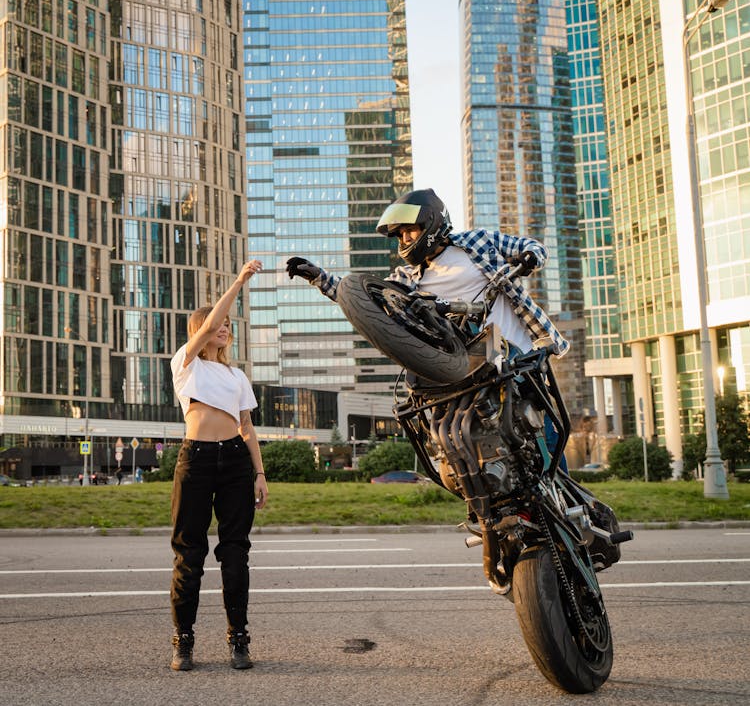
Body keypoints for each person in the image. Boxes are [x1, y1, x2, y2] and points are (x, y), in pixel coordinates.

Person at [287, 188, 623, 567]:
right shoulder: (406, 277)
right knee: (453, 434)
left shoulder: (476, 242)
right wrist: (321, 279)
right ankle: (487, 509)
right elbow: (369, 303)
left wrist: (530, 256)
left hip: (517, 359)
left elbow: (528, 245)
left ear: (431, 222)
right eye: (398, 236)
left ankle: (568, 507)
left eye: (409, 231)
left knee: (543, 442)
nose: (404, 240)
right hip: (468, 371)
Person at [169, 259, 268, 672]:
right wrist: (240, 281)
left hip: (234, 463)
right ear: (200, 329)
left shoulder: (237, 377)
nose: (223, 328)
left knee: (234, 553)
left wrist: (260, 473)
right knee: (189, 554)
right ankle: (184, 641)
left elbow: (247, 428)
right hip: (195, 460)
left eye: (228, 324)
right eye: (217, 322)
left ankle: (238, 639)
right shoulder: (185, 364)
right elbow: (209, 327)